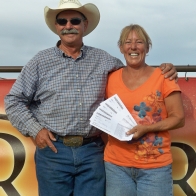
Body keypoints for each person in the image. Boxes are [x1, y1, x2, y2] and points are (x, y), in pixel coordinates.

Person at [4, 1, 177, 196]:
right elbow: (13, 100)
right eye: (62, 21)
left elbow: (135, 69)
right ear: (56, 26)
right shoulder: (39, 62)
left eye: (75, 20)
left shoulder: (105, 60)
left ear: (85, 25)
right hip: (54, 152)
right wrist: (36, 130)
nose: (69, 26)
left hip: (92, 152)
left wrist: (164, 69)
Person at [104, 24, 185, 196]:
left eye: (139, 42)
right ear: (121, 48)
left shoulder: (164, 77)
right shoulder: (110, 78)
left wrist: (147, 128)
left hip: (155, 169)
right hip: (116, 166)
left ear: (147, 48)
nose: (133, 47)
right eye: (128, 42)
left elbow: (178, 118)